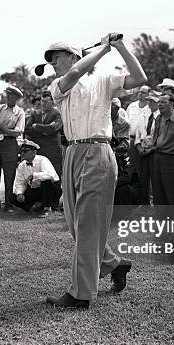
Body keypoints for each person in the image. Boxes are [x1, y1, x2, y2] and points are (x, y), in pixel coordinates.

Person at [44, 34, 147, 309]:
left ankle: (81, 293)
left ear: (74, 55)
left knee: (88, 226)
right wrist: (103, 48)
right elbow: (75, 73)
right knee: (78, 225)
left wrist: (120, 47)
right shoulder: (58, 84)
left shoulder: (103, 80)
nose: (53, 62)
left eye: (58, 56)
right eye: (52, 58)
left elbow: (139, 78)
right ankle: (115, 264)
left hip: (98, 151)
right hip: (72, 153)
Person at [143, 93, 174, 219]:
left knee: (173, 192)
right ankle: (161, 219)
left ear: (172, 104)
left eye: (163, 102)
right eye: (159, 102)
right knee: (157, 191)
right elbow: (156, 136)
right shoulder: (158, 119)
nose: (160, 104)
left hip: (172, 160)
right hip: (157, 157)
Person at [0, 86, 25, 213]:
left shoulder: (20, 112)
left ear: (16, 98)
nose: (9, 97)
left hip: (10, 144)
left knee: (9, 176)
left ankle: (8, 204)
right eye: (8, 95)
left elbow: (18, 132)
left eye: (12, 95)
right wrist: (8, 130)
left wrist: (3, 128)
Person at [10, 140, 62, 218]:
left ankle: (47, 208)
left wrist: (34, 175)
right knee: (12, 197)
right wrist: (19, 194)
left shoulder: (43, 160)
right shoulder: (21, 165)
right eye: (21, 151)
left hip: (51, 190)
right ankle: (35, 206)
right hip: (34, 190)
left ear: (34, 152)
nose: (22, 153)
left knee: (46, 181)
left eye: (25, 151)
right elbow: (20, 182)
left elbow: (51, 175)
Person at [24, 90, 63, 182]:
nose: (43, 104)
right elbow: (28, 130)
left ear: (52, 102)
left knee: (54, 179)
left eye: (46, 101)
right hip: (38, 151)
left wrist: (37, 126)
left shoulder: (58, 114)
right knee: (38, 179)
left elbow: (53, 129)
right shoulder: (34, 114)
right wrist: (45, 131)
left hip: (53, 152)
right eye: (42, 101)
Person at [133, 92, 161, 204]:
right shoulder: (144, 113)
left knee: (155, 178)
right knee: (143, 177)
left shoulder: (160, 116)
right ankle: (144, 203)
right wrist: (138, 146)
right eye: (149, 100)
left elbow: (160, 136)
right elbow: (138, 134)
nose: (150, 103)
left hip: (154, 151)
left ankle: (156, 202)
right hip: (143, 150)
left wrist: (152, 149)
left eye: (153, 101)